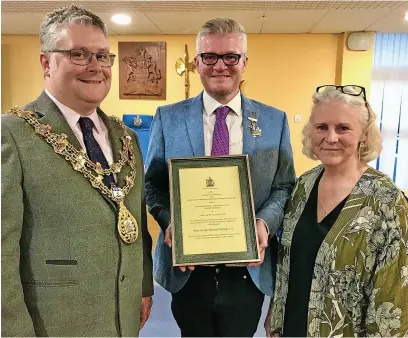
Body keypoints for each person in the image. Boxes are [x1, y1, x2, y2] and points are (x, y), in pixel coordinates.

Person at [1, 5, 153, 336]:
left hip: (122, 316)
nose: (95, 67)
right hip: (54, 323)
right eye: (79, 54)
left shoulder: (126, 138)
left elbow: (134, 219)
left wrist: (143, 284)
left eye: (102, 56)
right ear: (46, 62)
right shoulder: (12, 134)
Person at [145, 18, 295, 336]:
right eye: (210, 57)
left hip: (248, 270)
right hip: (188, 269)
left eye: (231, 57)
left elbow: (283, 185)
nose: (220, 66)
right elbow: (152, 184)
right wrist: (171, 222)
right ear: (197, 62)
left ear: (244, 62)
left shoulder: (274, 120)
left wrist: (264, 223)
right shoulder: (167, 118)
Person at [266, 85, 408, 337]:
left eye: (343, 128)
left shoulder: (386, 200)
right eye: (322, 127)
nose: (330, 138)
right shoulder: (303, 186)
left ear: (363, 134)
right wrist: (275, 317)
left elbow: (393, 295)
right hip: (292, 328)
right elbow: (287, 263)